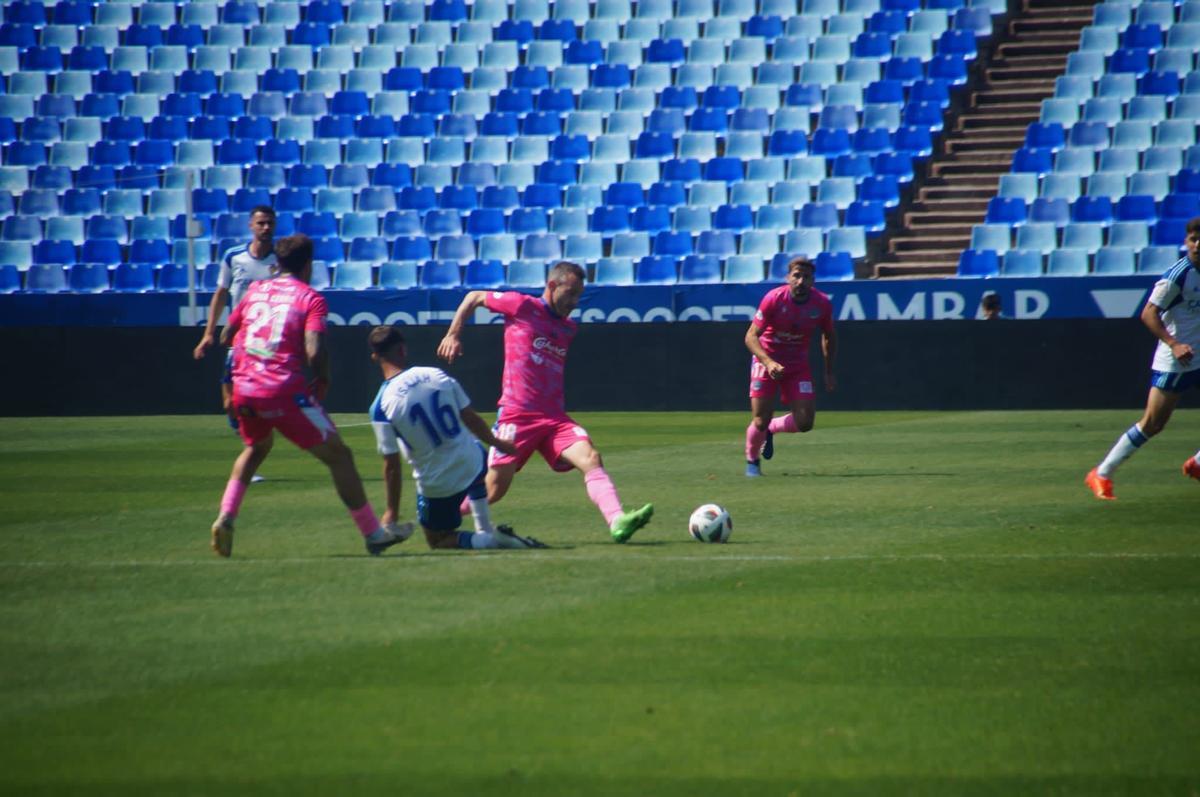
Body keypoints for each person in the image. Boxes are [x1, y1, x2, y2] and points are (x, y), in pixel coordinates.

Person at [209, 234, 406, 557]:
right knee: (339, 455)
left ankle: (226, 516)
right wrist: (323, 376)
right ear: (308, 264)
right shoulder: (309, 298)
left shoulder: (256, 290)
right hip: (281, 388)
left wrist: (235, 378)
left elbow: (228, 334)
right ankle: (373, 533)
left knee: (256, 447)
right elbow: (315, 351)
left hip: (245, 388)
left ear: (277, 262)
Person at [436, 260, 654, 543]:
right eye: (571, 293)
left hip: (554, 420)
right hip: (517, 416)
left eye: (579, 295)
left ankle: (617, 521)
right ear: (552, 285)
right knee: (493, 490)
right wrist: (453, 334)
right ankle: (441, 517)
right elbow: (474, 297)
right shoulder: (521, 306)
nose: (575, 302)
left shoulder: (568, 329)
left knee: (591, 458)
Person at [368, 326, 546, 550]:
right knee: (475, 456)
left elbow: (391, 466)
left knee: (437, 539)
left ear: (375, 357)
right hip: (473, 461)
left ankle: (488, 539)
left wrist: (391, 512)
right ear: (403, 350)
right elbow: (470, 418)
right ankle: (485, 528)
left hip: (438, 481)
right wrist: (499, 444)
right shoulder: (436, 374)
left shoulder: (379, 406)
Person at [1086, 216, 1200, 500]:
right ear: (1186, 243)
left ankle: (1197, 464)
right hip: (1176, 360)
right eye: (1193, 240)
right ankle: (1101, 473)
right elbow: (1148, 313)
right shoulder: (1178, 276)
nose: (1197, 245)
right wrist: (1174, 344)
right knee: (1153, 424)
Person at [743, 256, 837, 477]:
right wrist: (767, 361)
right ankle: (752, 462)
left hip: (797, 365)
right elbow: (750, 337)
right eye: (796, 275)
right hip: (767, 360)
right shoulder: (774, 299)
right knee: (760, 418)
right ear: (788, 278)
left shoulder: (821, 303)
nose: (801, 281)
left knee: (805, 422)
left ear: (813, 280)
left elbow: (829, 336)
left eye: (806, 277)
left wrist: (829, 371)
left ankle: (771, 430)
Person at [192, 206, 279, 426]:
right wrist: (208, 333)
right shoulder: (234, 257)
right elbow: (221, 294)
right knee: (230, 401)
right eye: (261, 223)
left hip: (271, 338)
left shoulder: (281, 258)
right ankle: (246, 433)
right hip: (241, 337)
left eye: (270, 223)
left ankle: (256, 437)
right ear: (251, 225)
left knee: (266, 397)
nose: (266, 227)